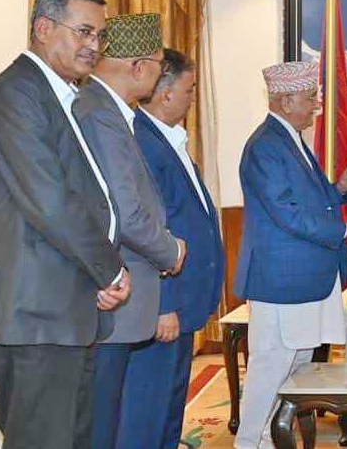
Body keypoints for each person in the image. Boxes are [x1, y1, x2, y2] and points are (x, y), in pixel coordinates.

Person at [0, 0, 131, 449]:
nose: (94, 46)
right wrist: (109, 270)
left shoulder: (55, 94)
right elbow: (51, 201)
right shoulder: (16, 94)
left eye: (99, 35)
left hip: (61, 307)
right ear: (44, 28)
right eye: (84, 32)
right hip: (34, 312)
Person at [232, 61, 347, 449]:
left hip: (304, 279)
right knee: (269, 369)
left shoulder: (288, 138)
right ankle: (249, 443)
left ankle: (267, 440)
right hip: (282, 281)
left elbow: (309, 200)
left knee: (293, 369)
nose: (316, 105)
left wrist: (339, 189)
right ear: (287, 99)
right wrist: (344, 231)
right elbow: (287, 212)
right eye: (311, 97)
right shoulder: (265, 146)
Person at [72, 13, 187, 449]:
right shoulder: (99, 114)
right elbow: (126, 213)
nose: (160, 75)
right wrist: (171, 251)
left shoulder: (109, 112)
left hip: (119, 301)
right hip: (111, 300)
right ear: (138, 67)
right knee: (101, 429)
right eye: (159, 65)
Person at [115, 48, 225, 449]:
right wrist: (164, 304)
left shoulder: (168, 138)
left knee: (170, 410)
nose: (192, 98)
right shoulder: (143, 142)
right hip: (162, 305)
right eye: (189, 89)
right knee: (147, 413)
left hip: (181, 302)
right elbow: (146, 229)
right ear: (165, 92)